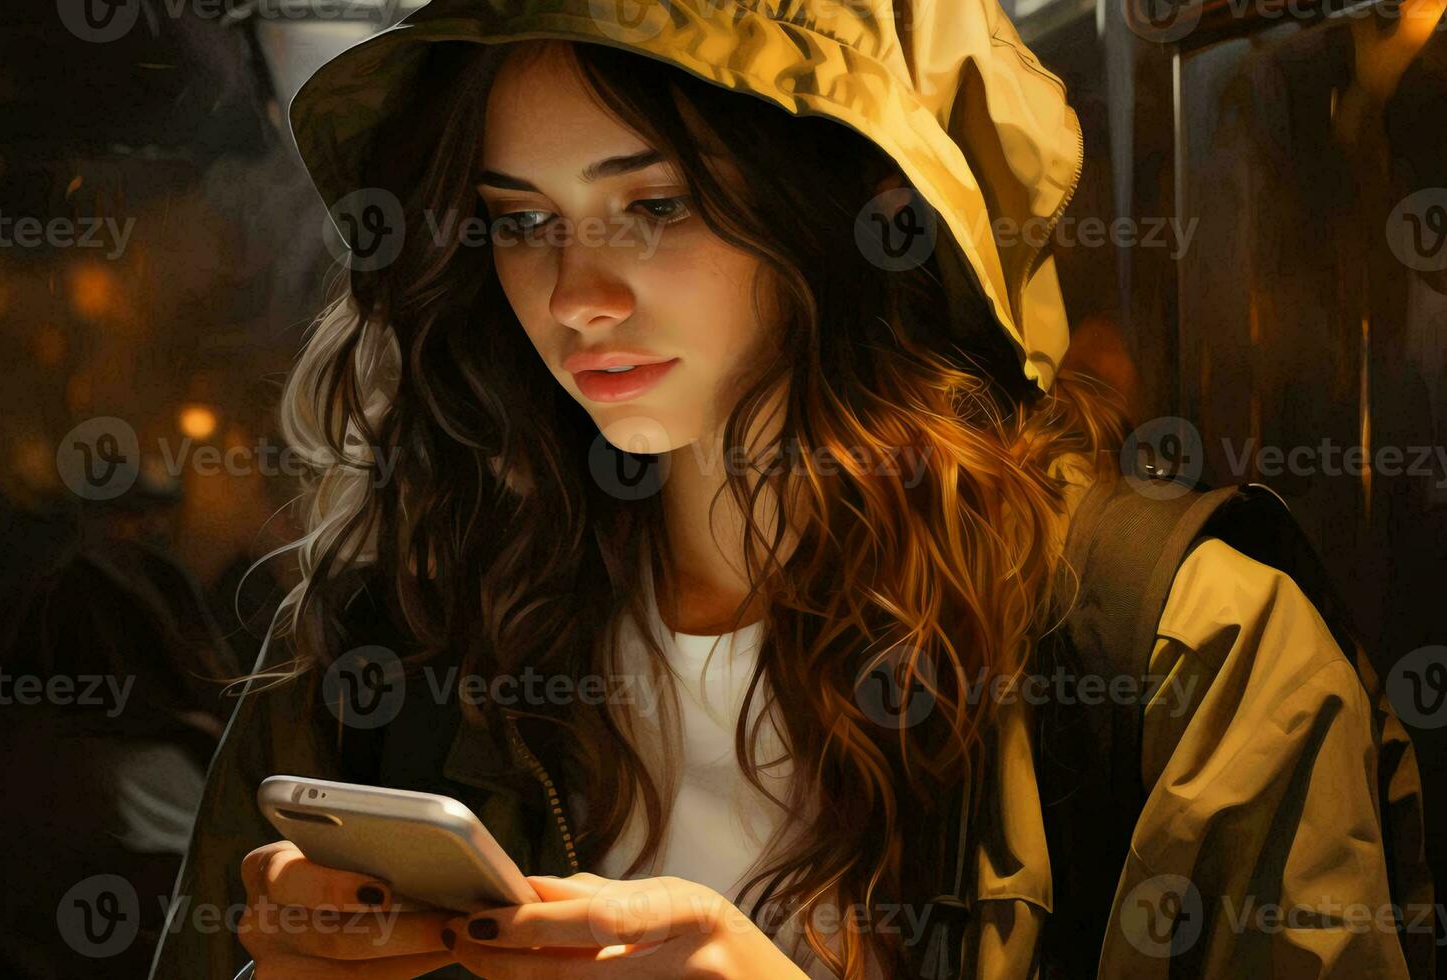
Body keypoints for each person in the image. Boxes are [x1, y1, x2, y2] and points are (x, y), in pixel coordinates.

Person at [151, 1, 1430, 977]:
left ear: (851, 214)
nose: (576, 293)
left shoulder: (1180, 645)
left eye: (652, 203)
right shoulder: (392, 631)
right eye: (519, 218)